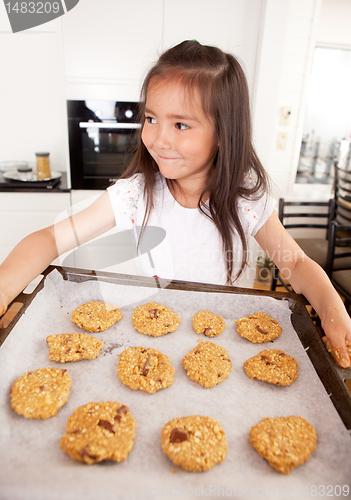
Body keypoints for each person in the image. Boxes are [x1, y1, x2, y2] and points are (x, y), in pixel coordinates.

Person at [0, 40, 350, 368]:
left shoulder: (245, 201)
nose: (159, 138)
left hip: (216, 344)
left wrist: (332, 307)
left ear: (223, 134)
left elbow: (298, 264)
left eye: (181, 124)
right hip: (146, 341)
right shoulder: (136, 194)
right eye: (151, 119)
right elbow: (49, 240)